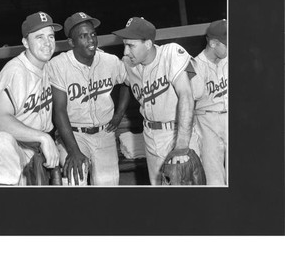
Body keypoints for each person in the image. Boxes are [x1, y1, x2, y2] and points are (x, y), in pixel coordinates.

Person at [0, 11, 62, 185]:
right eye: (39, 37)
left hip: (35, 152)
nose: (47, 43)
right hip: (14, 153)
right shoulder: (15, 71)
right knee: (0, 141)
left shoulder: (46, 65)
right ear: (25, 42)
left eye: (51, 37)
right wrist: (43, 138)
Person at [47, 12, 130, 186]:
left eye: (93, 34)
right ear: (71, 42)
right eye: (83, 36)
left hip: (104, 134)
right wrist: (73, 151)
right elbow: (59, 110)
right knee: (76, 182)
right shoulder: (58, 65)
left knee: (109, 188)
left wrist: (120, 113)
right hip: (74, 135)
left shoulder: (110, 61)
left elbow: (127, 82)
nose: (91, 40)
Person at [112, 17, 195, 185]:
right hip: (150, 135)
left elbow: (186, 95)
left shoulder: (170, 53)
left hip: (177, 132)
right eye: (124, 44)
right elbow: (125, 84)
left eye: (131, 46)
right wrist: (119, 113)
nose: (126, 51)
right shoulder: (128, 63)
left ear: (148, 44)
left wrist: (181, 146)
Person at [191, 19, 228, 185]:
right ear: (213, 43)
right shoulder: (194, 65)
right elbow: (189, 100)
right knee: (214, 177)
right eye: (227, 44)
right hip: (207, 122)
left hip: (229, 117)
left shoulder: (228, 59)